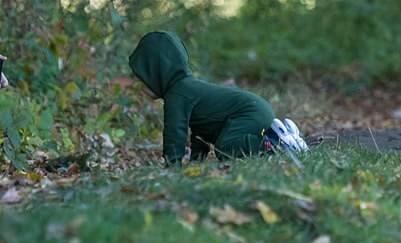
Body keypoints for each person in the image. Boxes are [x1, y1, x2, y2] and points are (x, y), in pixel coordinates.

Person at [128, 31, 309, 165]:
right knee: (227, 142)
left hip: (250, 112)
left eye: (143, 77)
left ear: (157, 73)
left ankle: (273, 145)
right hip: (256, 109)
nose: (138, 84)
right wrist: (196, 162)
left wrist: (172, 165)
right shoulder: (187, 88)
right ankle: (281, 138)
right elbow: (202, 130)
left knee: (226, 147)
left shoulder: (178, 95)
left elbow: (175, 133)